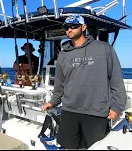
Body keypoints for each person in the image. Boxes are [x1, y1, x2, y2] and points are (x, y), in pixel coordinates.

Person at [42, 14, 127, 149]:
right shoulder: (63, 54)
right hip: (70, 111)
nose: (69, 29)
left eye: (73, 26)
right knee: (68, 146)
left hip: (96, 111)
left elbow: (116, 79)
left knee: (95, 147)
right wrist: (53, 102)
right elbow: (60, 84)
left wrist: (117, 107)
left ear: (83, 27)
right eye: (66, 27)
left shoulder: (103, 48)